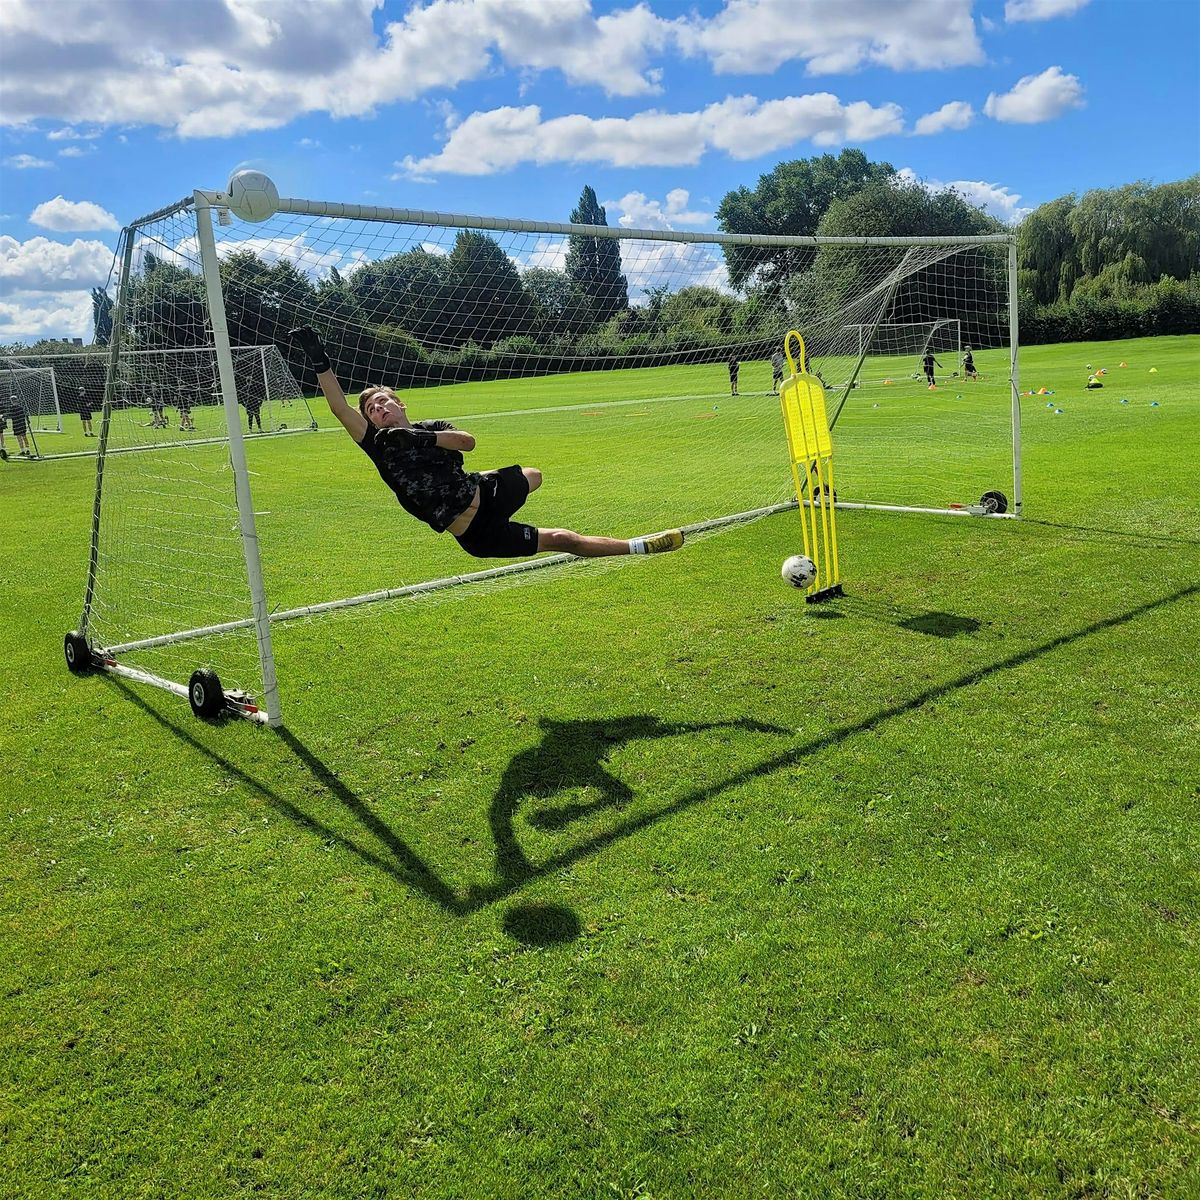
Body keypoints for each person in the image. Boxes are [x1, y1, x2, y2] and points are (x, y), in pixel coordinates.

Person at [288, 326, 684, 561]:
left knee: (535, 474)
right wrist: (320, 361)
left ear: (399, 402)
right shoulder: (377, 444)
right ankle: (640, 546)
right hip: (476, 534)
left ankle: (640, 546)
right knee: (562, 540)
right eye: (371, 408)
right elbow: (339, 407)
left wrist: (420, 437)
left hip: (487, 494)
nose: (378, 408)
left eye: (383, 401)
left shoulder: (430, 426)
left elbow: (467, 441)